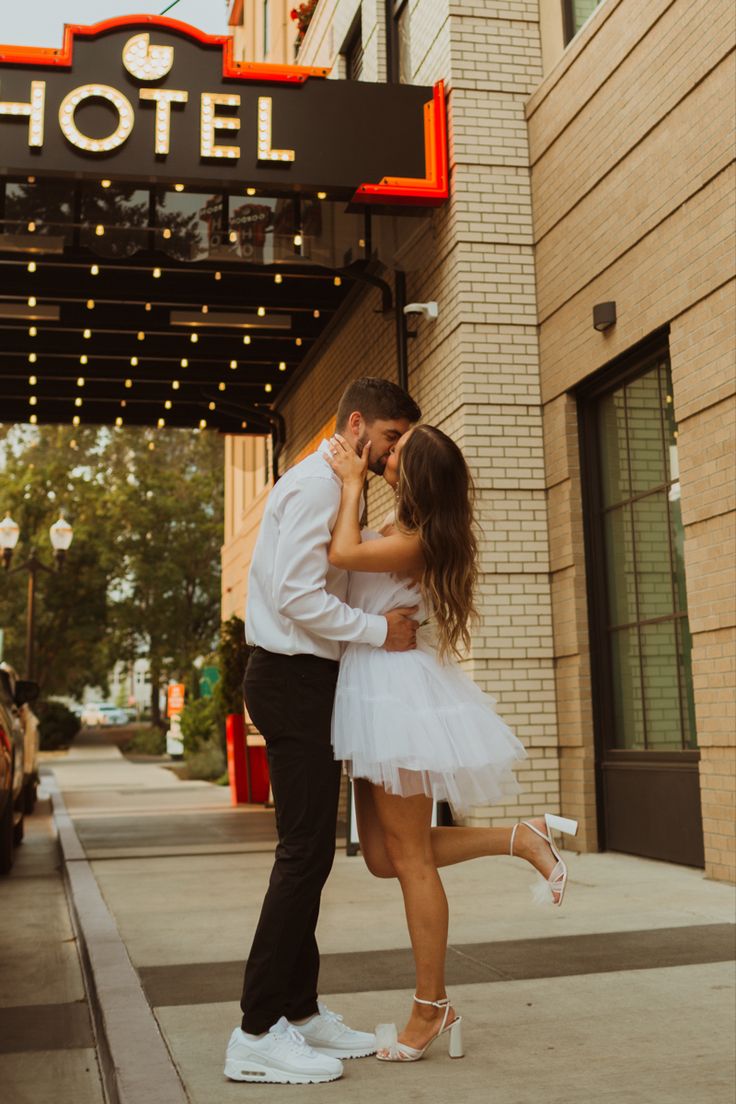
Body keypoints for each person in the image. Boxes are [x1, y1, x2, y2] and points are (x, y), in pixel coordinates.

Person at [324, 424, 579, 1063]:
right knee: (384, 856)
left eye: (398, 453)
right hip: (371, 690)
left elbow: (342, 556)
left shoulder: (414, 541)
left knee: (408, 858)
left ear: (415, 478)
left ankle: (431, 1005)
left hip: (393, 698)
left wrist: (351, 481)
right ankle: (519, 837)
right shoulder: (405, 529)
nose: (388, 454)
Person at [224, 378, 422, 1086]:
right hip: (291, 678)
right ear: (359, 423)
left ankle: (300, 1014)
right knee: (303, 855)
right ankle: (254, 1031)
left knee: (308, 855)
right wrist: (380, 633)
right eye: (393, 437)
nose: (396, 452)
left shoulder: (334, 483)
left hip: (305, 681)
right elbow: (298, 596)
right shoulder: (315, 486)